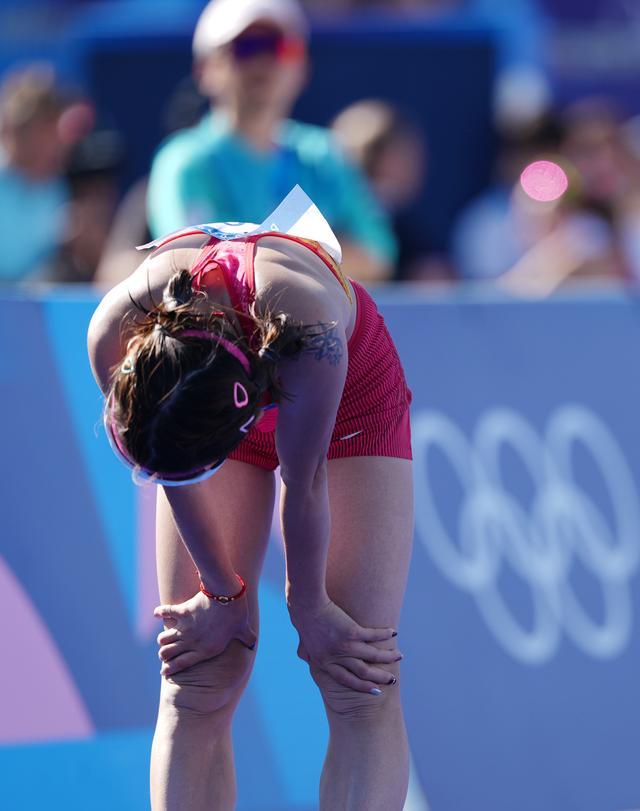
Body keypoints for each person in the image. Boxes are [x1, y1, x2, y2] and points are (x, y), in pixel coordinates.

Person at [86, 186, 414, 810]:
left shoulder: (309, 325)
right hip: (210, 388)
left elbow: (305, 479)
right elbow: (171, 472)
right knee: (198, 674)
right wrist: (222, 594)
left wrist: (311, 604)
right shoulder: (113, 335)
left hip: (348, 401)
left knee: (358, 676)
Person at [146, 0, 397, 282]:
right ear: (205, 69)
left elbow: (379, 257)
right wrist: (319, 252)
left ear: (302, 67)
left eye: (279, 47)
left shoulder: (325, 154)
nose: (263, 62)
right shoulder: (184, 161)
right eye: (246, 47)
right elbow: (195, 266)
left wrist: (257, 253)